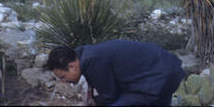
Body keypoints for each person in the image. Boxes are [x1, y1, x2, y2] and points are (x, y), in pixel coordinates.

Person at [46, 39, 186, 106]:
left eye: (63, 77)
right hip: (167, 70)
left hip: (158, 77)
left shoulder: (91, 60)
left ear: (72, 66)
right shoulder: (85, 55)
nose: (64, 81)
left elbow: (109, 95)